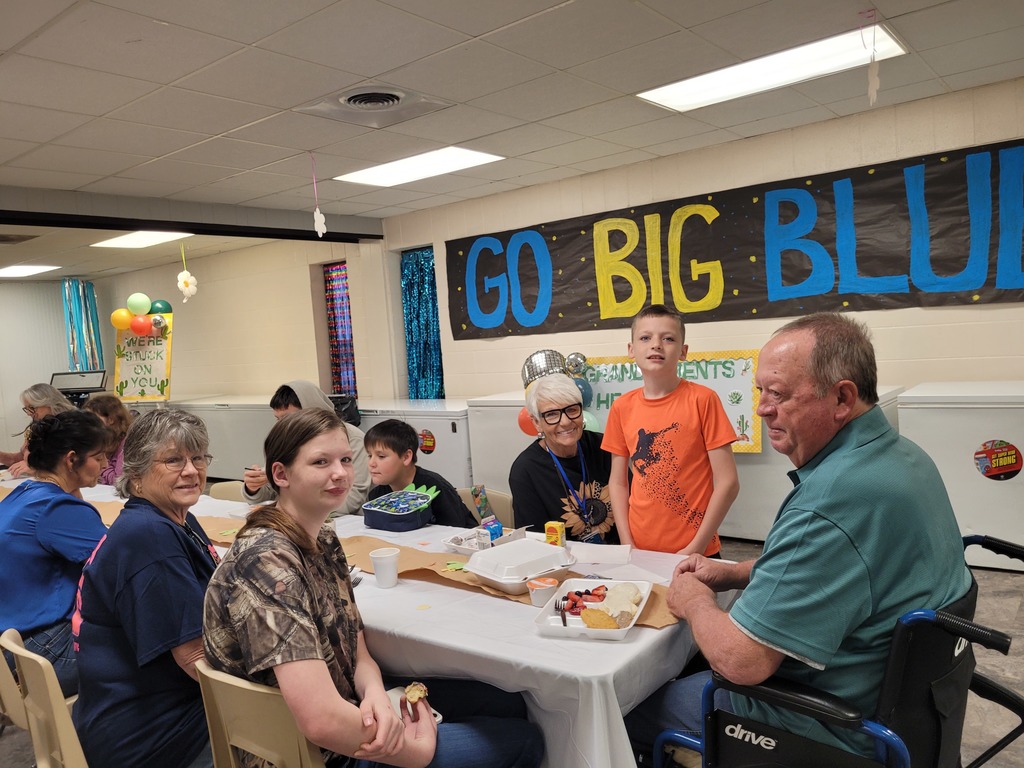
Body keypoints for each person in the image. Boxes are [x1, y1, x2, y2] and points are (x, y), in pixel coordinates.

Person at [624, 312, 974, 760]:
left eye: (778, 394)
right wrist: (735, 572)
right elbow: (843, 569)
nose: (762, 408)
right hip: (916, 707)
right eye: (759, 392)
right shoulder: (904, 458)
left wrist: (693, 600)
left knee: (628, 710)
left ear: (842, 398)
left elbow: (740, 661)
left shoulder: (830, 502)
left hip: (826, 725)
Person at [203, 408, 544, 768]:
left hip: (345, 701)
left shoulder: (323, 536)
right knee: (526, 741)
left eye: (346, 459)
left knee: (510, 702)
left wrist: (376, 694)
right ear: (281, 474)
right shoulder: (267, 562)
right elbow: (321, 721)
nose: (340, 473)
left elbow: (356, 644)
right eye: (320, 462)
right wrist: (417, 751)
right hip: (308, 750)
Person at [73, 409, 219, 768]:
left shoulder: (169, 517)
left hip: (129, 710)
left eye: (198, 457)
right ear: (136, 475)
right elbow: (195, 659)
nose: (191, 470)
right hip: (154, 735)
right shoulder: (149, 537)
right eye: (173, 460)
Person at [602, 304, 739, 556]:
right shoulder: (622, 407)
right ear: (631, 350)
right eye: (645, 338)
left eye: (668, 338)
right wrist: (626, 542)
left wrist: (695, 547)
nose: (656, 345)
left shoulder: (703, 400)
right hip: (639, 548)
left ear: (683, 351)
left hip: (697, 549)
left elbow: (728, 483)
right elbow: (618, 482)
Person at [0, 410, 108, 696]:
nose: (106, 464)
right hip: (39, 651)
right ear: (71, 459)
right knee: (149, 651)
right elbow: (117, 560)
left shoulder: (25, 493)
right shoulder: (57, 510)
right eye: (98, 457)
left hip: (10, 642)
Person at [509, 373, 616, 543]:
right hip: (565, 563)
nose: (565, 422)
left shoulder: (604, 447)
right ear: (537, 422)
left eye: (572, 410)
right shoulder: (525, 470)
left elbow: (633, 506)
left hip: (620, 555)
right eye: (552, 414)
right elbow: (533, 541)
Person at [243, 379, 370, 516]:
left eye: (345, 459)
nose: (284, 426)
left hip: (342, 522)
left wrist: (295, 510)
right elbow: (272, 493)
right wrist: (254, 487)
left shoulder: (352, 438)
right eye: (278, 419)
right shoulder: (284, 439)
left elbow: (353, 498)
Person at [364, 419, 476, 528]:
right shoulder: (377, 496)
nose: (371, 463)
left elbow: (456, 532)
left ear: (406, 457)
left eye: (381, 456)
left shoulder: (436, 487)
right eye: (370, 455)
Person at [1, 383, 76, 477]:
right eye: (26, 409)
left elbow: (72, 464)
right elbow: (19, 460)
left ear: (50, 404)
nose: (28, 413)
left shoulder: (71, 427)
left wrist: (37, 468)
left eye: (32, 408)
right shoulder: (37, 428)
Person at [82, 394, 133, 485]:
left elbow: (119, 481)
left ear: (111, 419)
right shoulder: (96, 440)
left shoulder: (127, 443)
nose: (87, 423)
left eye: (92, 417)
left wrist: (100, 466)